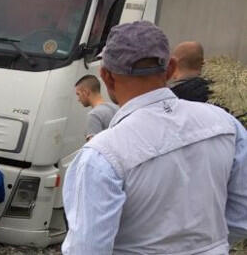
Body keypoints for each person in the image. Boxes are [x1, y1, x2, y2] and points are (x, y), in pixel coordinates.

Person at [62, 21, 247, 253]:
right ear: (170, 69)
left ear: (106, 77)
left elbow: (87, 249)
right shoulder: (226, 124)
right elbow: (241, 218)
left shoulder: (102, 155)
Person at [74, 75, 119, 141]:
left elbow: (94, 148)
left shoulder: (94, 115)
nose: (78, 99)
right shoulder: (116, 108)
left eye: (78, 94)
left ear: (86, 92)